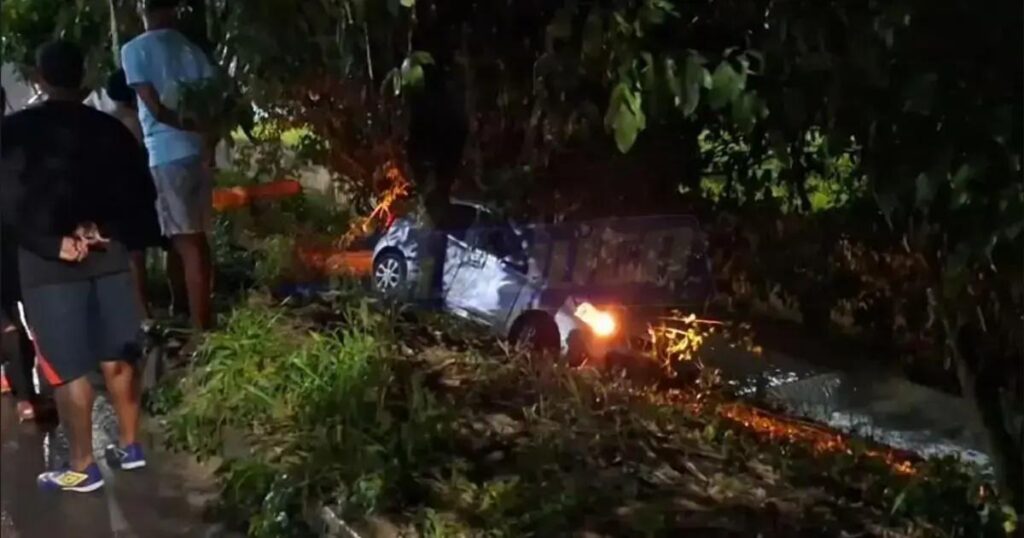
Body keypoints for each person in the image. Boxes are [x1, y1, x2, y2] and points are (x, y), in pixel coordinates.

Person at [0, 40, 159, 492]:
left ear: (39, 78)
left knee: (68, 369)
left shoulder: (15, 133)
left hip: (48, 269)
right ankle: (131, 448)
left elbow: (6, 207)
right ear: (84, 77)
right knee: (118, 353)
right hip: (109, 257)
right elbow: (141, 193)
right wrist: (108, 230)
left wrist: (53, 243)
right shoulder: (111, 130)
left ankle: (83, 466)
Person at [122, 0, 216, 334]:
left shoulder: (134, 50)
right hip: (197, 152)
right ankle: (196, 313)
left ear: (143, 11)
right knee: (196, 240)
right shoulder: (192, 50)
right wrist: (204, 136)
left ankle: (200, 329)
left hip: (165, 152)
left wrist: (182, 125)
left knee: (186, 243)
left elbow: (154, 107)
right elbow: (214, 101)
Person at [105, 68, 188, 323]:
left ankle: (144, 314)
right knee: (173, 244)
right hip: (151, 187)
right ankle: (180, 304)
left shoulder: (108, 121)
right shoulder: (142, 120)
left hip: (122, 194)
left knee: (135, 253)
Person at [0, 84, 40, 422]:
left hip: (14, 245)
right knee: (15, 323)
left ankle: (26, 395)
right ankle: (27, 396)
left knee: (11, 324)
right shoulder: (18, 142)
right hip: (17, 245)